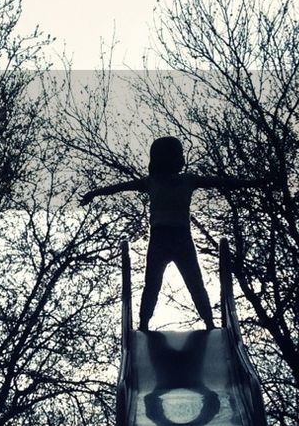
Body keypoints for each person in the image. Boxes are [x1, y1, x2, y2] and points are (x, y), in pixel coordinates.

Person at [80, 136, 279, 331]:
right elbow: (119, 188)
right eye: (178, 155)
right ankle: (143, 324)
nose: (182, 159)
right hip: (161, 238)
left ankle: (209, 322)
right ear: (166, 158)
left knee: (194, 282)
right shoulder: (153, 181)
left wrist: (256, 182)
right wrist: (94, 193)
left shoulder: (187, 180)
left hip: (181, 238)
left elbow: (223, 182)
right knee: (153, 284)